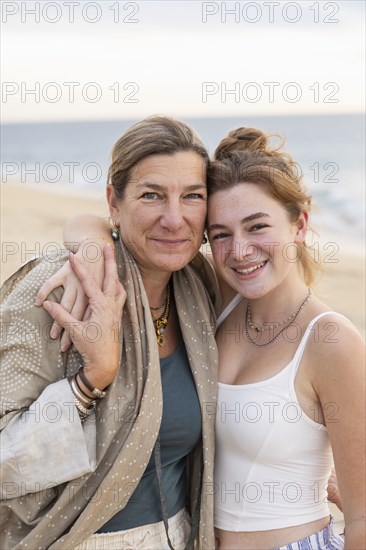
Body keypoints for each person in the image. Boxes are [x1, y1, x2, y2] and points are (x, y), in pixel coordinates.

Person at [40, 126, 365, 549]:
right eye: (221, 234)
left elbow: (361, 517)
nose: (240, 251)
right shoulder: (217, 295)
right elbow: (92, 221)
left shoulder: (331, 340)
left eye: (258, 226)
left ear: (299, 225)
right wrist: (91, 251)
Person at [0, 117, 220, 550]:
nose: (174, 218)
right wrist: (91, 380)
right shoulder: (56, 293)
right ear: (114, 203)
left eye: (192, 196)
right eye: (151, 195)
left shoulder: (201, 291)